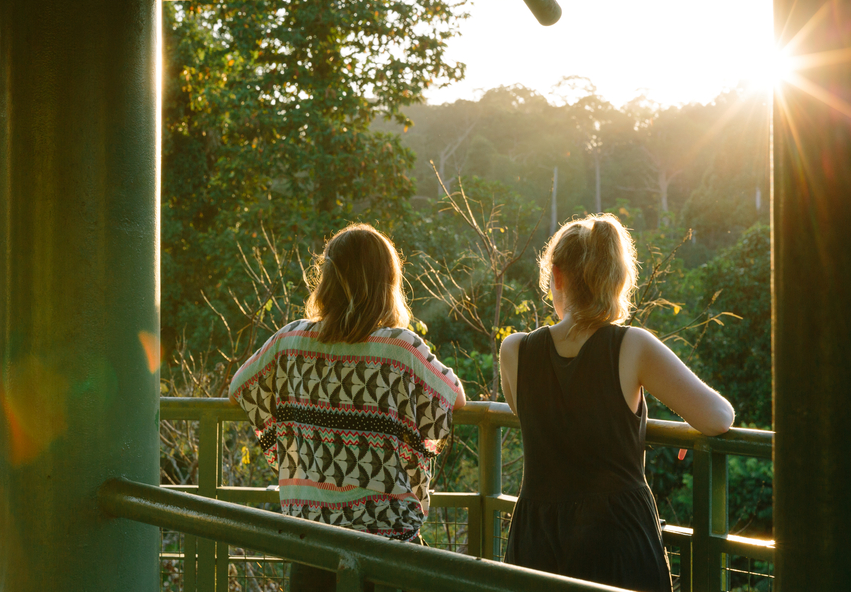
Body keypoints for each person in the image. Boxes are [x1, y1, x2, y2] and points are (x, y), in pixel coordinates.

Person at [499, 214, 734, 591]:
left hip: (537, 540)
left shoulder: (515, 350)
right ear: (616, 279)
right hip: (617, 537)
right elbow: (719, 417)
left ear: (556, 277)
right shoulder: (631, 346)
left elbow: (529, 411)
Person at [229, 223, 467, 592]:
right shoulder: (401, 348)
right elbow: (455, 397)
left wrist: (297, 428)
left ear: (326, 280)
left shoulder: (291, 340)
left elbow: (239, 387)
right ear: (388, 283)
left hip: (310, 539)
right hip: (386, 544)